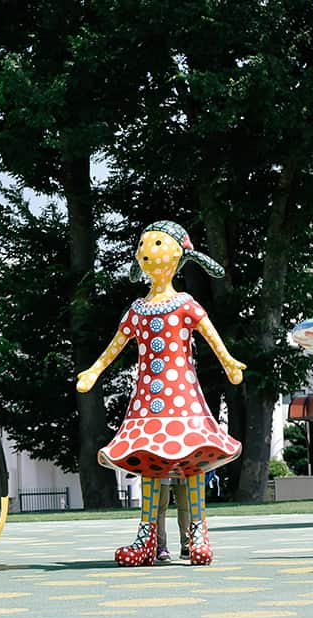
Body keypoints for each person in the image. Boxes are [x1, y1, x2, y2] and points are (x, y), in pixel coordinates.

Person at [76, 220, 244, 566]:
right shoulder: (138, 310)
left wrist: (228, 361)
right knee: (150, 462)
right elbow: (116, 345)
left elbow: (211, 336)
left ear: (179, 253)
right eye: (143, 244)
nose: (145, 251)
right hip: (148, 405)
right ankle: (147, 537)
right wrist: (94, 370)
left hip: (184, 401)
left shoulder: (185, 304)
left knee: (194, 461)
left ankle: (198, 534)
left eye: (155, 243)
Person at [154, 477, 193, 562]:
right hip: (162, 473)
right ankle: (161, 547)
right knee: (160, 509)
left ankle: (186, 547)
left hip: (181, 474)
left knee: (184, 508)